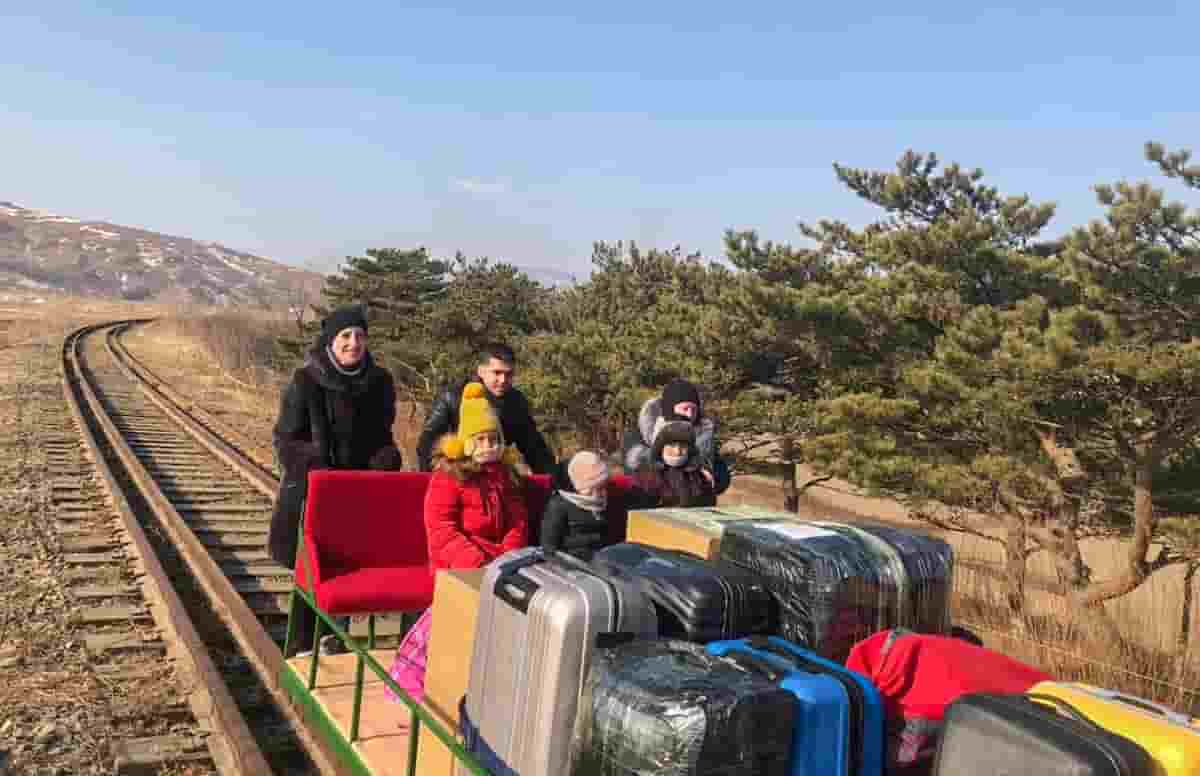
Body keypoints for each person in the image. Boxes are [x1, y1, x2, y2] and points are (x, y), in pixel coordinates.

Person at [267, 305, 403, 656]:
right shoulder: (306, 380)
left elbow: (382, 435)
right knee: (310, 567)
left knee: (351, 571)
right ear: (331, 341)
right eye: (345, 336)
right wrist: (316, 468)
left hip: (360, 493)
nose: (353, 343)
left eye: (359, 336)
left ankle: (339, 641)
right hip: (315, 491)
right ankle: (301, 646)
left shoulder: (380, 382)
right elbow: (285, 440)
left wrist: (385, 460)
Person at [387, 382, 531, 704]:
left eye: (494, 440)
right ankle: (428, 681)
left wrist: (508, 556)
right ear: (466, 443)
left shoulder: (505, 477)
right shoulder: (450, 477)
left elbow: (517, 520)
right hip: (460, 565)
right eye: (481, 440)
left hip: (499, 563)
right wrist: (476, 562)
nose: (489, 447)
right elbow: (441, 528)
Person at [416, 342, 556, 475]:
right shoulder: (451, 397)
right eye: (497, 372)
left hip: (496, 475)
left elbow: (535, 448)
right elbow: (427, 444)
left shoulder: (515, 402)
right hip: (457, 475)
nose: (503, 380)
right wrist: (430, 481)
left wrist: (551, 482)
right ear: (481, 371)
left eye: (508, 374)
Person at [623, 378, 730, 495]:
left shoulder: (703, 436)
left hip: (696, 505)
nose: (690, 414)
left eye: (693, 409)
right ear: (670, 408)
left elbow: (721, 479)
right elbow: (632, 472)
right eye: (685, 409)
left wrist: (710, 475)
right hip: (653, 505)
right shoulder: (640, 435)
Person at [540, 450, 627, 561]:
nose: (604, 492)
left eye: (604, 486)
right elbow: (549, 547)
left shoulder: (606, 500)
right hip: (574, 565)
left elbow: (616, 534)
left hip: (606, 559)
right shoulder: (559, 505)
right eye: (598, 488)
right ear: (583, 487)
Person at [633, 418, 717, 508]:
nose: (677, 451)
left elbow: (708, 506)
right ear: (661, 447)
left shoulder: (700, 474)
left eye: (683, 446)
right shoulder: (646, 472)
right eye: (672, 445)